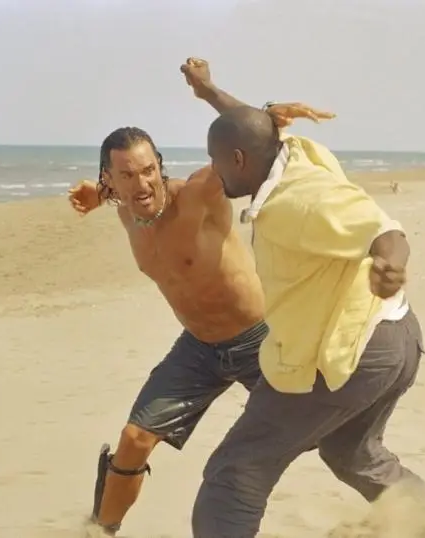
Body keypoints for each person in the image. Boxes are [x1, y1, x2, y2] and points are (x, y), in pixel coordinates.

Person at [68, 99, 334, 535]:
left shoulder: (197, 195)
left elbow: (244, 148)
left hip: (259, 340)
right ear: (110, 179)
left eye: (149, 170)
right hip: (198, 348)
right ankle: (101, 530)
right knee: (134, 440)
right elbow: (116, 193)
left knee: (327, 440)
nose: (142, 183)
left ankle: (402, 507)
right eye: (127, 175)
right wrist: (95, 197)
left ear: (160, 166)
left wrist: (268, 115)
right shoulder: (123, 208)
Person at [182, 67, 425, 537]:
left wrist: (390, 264)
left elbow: (384, 228)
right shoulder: (295, 152)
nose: (213, 171)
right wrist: (209, 92)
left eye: (216, 161)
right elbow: (252, 126)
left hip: (351, 350)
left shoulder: (301, 199)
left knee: (236, 472)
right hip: (398, 336)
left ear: (238, 159)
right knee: (351, 453)